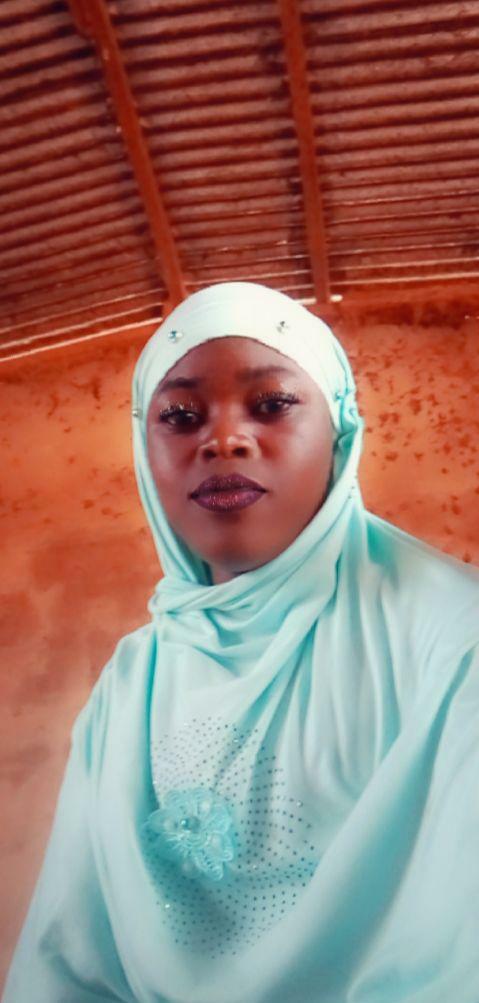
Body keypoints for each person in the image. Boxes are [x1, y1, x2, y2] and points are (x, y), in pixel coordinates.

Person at [3, 281, 479, 1003]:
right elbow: (69, 958)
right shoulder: (133, 680)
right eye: (180, 416)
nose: (223, 440)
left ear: (340, 432)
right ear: (143, 448)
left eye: (272, 404)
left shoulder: (452, 636)